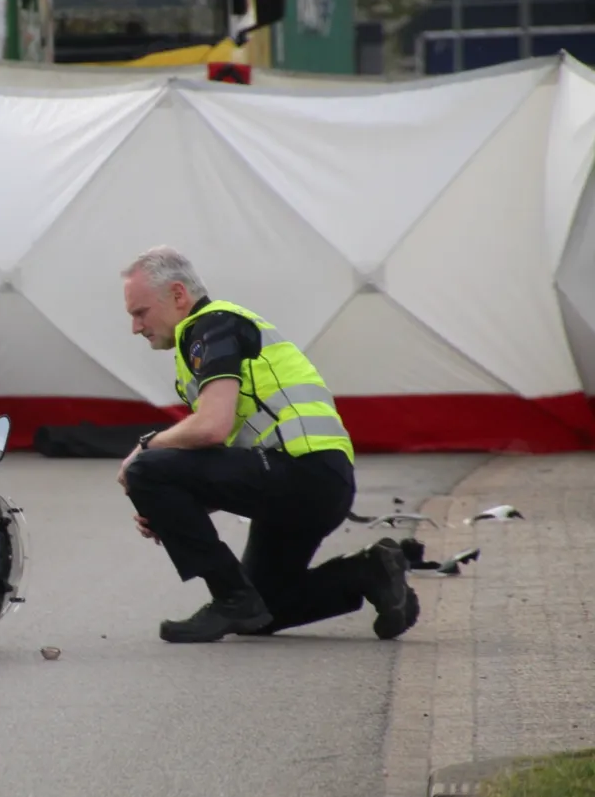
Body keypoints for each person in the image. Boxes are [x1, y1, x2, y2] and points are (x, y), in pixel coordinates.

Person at [117, 245, 419, 644]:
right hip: (317, 481)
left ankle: (229, 598)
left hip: (300, 472)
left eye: (140, 313)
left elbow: (212, 428)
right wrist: (173, 506)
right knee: (264, 610)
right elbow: (224, 461)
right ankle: (372, 571)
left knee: (146, 468)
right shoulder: (213, 333)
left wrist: (145, 448)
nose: (136, 327)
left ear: (177, 295)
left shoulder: (211, 326)